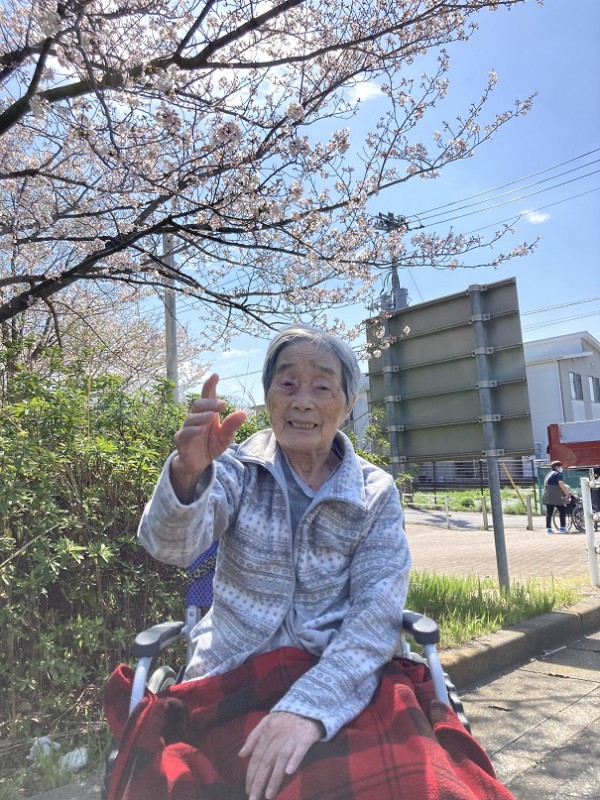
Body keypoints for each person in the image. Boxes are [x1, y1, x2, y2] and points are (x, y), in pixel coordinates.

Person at [104, 323, 516, 800]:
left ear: (349, 403)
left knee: (419, 784)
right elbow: (169, 547)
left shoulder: (374, 492)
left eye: (322, 386)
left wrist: (308, 707)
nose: (302, 401)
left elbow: (376, 613)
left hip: (344, 675)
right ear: (268, 397)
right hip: (235, 673)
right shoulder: (237, 470)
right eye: (287, 383)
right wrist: (187, 471)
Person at [542, 459, 570, 533]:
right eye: (560, 467)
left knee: (549, 512)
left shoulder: (549, 474)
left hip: (547, 495)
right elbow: (561, 484)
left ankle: (548, 529)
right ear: (557, 467)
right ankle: (562, 528)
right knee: (562, 510)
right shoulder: (558, 474)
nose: (561, 468)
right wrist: (567, 493)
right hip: (555, 496)